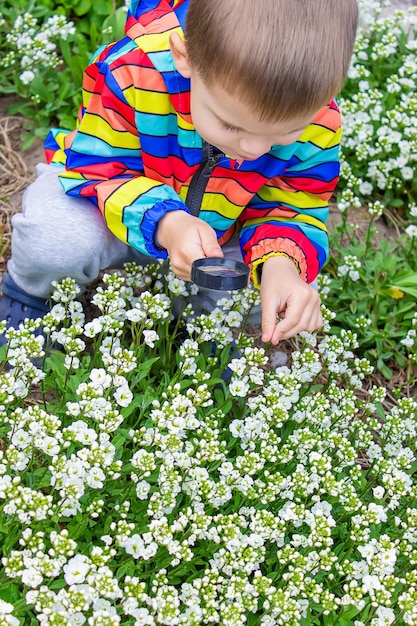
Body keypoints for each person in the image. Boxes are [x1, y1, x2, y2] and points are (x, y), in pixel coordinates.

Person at [0, 0, 358, 345]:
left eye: (283, 133)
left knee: (283, 288)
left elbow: (293, 203)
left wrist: (280, 264)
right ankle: (29, 295)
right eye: (231, 125)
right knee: (55, 239)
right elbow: (98, 170)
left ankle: (199, 325)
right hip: (108, 207)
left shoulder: (317, 118)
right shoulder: (136, 71)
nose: (255, 149)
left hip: (219, 237)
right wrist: (167, 222)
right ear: (184, 57)